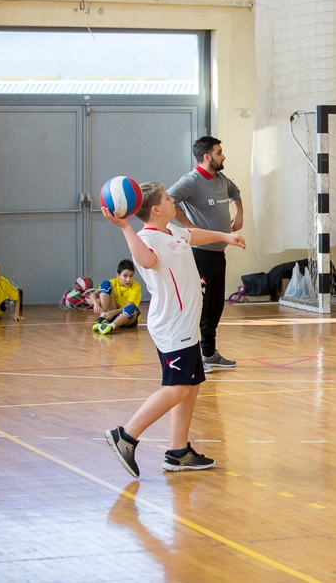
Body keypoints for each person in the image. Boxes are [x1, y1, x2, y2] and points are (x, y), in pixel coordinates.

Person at [104, 182, 246, 478]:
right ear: (156, 210)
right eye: (168, 199)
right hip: (172, 325)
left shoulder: (173, 231)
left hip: (186, 325)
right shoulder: (146, 238)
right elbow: (146, 260)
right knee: (178, 387)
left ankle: (178, 452)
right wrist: (125, 227)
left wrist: (224, 236)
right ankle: (126, 435)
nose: (173, 201)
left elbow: (193, 235)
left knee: (192, 385)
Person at [168, 136, 243, 373]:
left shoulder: (221, 179)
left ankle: (209, 354)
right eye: (219, 152)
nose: (223, 156)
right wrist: (189, 227)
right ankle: (192, 357)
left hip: (218, 254)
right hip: (200, 254)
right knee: (198, 308)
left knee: (214, 307)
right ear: (207, 157)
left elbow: (235, 191)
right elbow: (169, 200)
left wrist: (238, 212)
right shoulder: (191, 181)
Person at [92, 259, 143, 335]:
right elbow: (92, 294)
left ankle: (111, 326)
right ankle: (102, 318)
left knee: (131, 308)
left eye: (131, 276)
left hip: (127, 318)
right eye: (125, 276)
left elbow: (129, 305)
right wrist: (96, 303)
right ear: (118, 275)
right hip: (111, 314)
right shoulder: (113, 282)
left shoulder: (136, 286)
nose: (128, 279)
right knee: (105, 284)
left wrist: (114, 312)